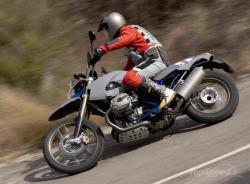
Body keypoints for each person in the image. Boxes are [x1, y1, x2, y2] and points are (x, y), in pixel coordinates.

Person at [92, 12, 175, 107]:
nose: (106, 33)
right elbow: (130, 65)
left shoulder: (128, 30)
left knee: (130, 78)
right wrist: (115, 78)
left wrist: (102, 49)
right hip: (152, 59)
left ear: (112, 24)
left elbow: (123, 39)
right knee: (128, 80)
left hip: (155, 58)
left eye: (106, 29)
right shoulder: (131, 43)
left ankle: (164, 92)